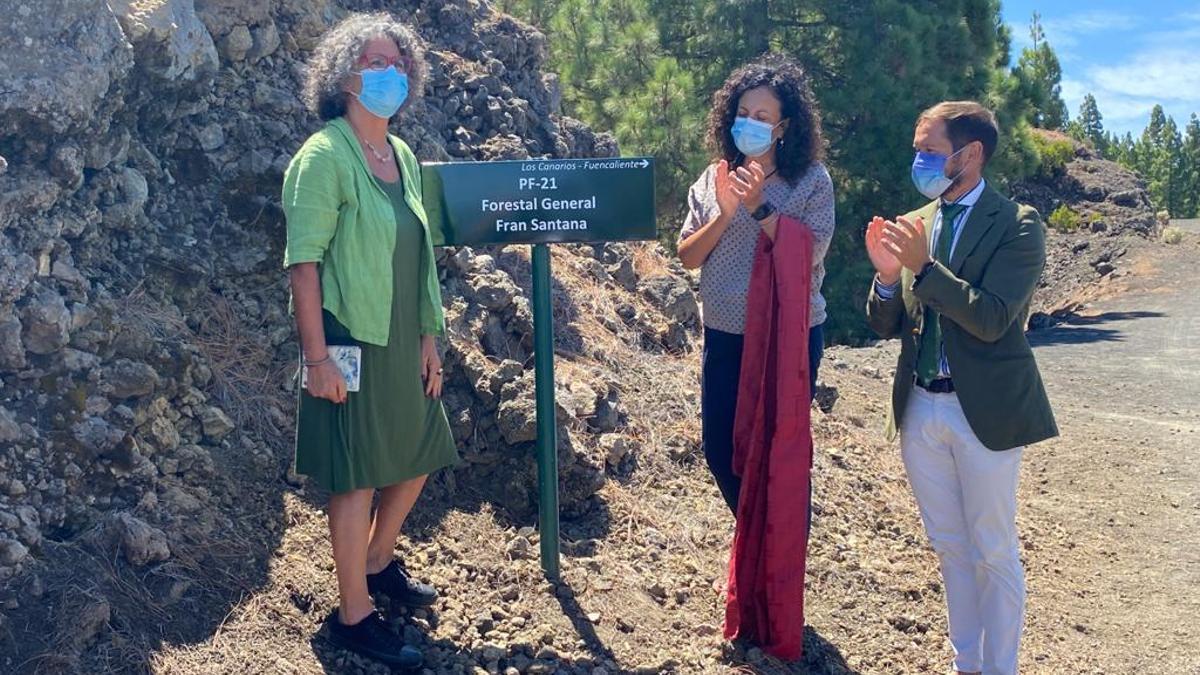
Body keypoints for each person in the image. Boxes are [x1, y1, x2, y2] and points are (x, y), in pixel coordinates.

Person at [282, 13, 457, 670]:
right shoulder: (323, 156)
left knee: (418, 452)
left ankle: (378, 561)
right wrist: (317, 358)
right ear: (343, 75)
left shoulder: (402, 156)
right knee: (355, 478)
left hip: (402, 336)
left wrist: (428, 336)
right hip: (349, 338)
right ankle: (353, 615)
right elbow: (303, 264)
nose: (392, 74)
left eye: (400, 64)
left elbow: (419, 256)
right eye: (377, 62)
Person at [864, 101, 1058, 675]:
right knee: (950, 546)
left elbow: (994, 318)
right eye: (917, 149)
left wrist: (924, 270)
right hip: (920, 406)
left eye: (930, 150)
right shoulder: (916, 221)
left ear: (970, 154)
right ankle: (966, 663)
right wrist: (886, 278)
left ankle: (1000, 668)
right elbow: (888, 324)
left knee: (993, 550)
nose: (919, 160)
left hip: (984, 412)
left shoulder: (1017, 223)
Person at [677, 55, 835, 515]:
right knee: (721, 452)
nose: (750, 123)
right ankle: (755, 541)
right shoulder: (714, 178)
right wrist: (726, 210)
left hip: (787, 336)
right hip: (724, 334)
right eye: (743, 113)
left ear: (783, 127)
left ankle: (781, 551)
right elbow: (688, 256)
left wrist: (760, 207)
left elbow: (810, 253)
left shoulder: (810, 181)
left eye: (762, 117)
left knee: (777, 454)